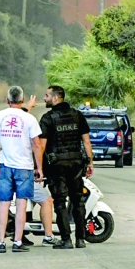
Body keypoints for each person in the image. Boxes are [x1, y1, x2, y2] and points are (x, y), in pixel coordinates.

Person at [0, 86, 43, 253]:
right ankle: (17, 242)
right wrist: (39, 168)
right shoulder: (29, 119)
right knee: (21, 205)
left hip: (5, 166)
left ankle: (0, 242)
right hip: (24, 168)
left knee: (3, 205)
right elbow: (36, 145)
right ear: (22, 99)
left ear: (7, 100)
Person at [39, 85, 93, 250]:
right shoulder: (77, 115)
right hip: (76, 164)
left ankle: (66, 240)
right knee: (78, 202)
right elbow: (86, 141)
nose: (44, 98)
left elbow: (41, 146)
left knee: (60, 202)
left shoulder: (48, 118)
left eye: (47, 95)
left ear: (56, 98)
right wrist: (90, 162)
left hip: (57, 166)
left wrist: (38, 167)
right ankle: (81, 240)